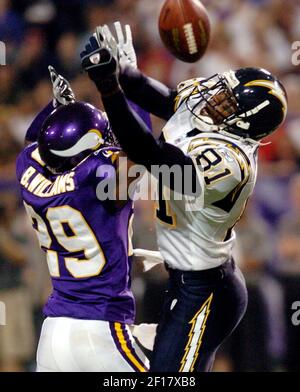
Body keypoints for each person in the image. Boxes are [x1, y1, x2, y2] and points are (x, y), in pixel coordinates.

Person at [80, 22, 288, 372]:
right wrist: (124, 73)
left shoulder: (230, 162)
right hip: (185, 278)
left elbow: (150, 154)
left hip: (205, 290)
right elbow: (167, 100)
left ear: (245, 126)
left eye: (228, 103)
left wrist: (110, 90)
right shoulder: (213, 115)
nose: (215, 99)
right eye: (224, 92)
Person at [16, 59, 151, 371]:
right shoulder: (97, 177)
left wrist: (55, 109)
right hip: (100, 329)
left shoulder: (27, 166)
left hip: (52, 334)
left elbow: (36, 139)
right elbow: (142, 151)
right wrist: (128, 87)